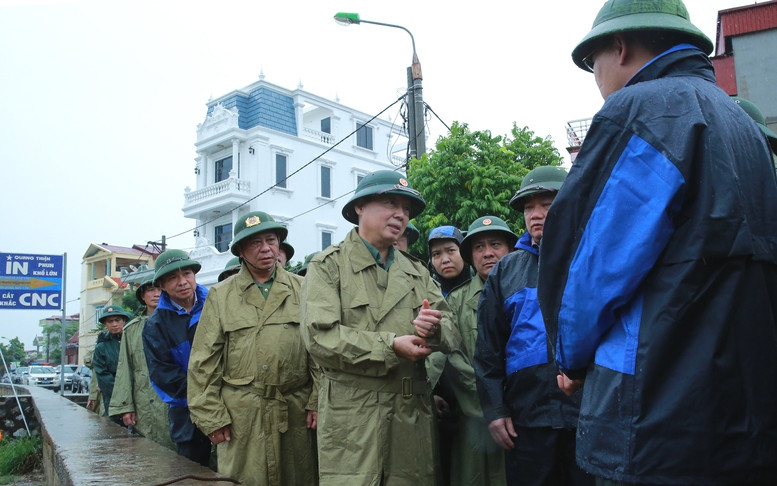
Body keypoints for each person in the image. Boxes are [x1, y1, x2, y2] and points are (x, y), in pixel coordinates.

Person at [538, 1, 777, 484]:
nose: (597, 78)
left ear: (620, 46)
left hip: (652, 421)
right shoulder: (746, 128)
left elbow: (592, 267)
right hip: (744, 420)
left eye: (592, 63)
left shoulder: (640, 111)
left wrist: (569, 357)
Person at [300, 170, 460, 485]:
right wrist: (389, 346)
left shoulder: (416, 272)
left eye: (406, 210)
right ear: (360, 207)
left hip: (410, 419)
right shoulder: (328, 266)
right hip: (353, 419)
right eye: (390, 203)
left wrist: (435, 329)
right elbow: (320, 337)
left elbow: (453, 330)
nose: (400, 214)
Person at [474, 167, 590, 485]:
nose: (535, 215)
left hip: (590, 418)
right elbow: (488, 351)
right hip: (527, 423)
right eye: (528, 207)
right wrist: (495, 411)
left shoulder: (595, 259)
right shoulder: (506, 272)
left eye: (546, 204)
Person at [188, 211, 319, 486]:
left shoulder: (303, 288)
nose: (265, 249)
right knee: (244, 479)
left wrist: (317, 401)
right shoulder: (221, 295)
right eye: (254, 243)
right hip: (242, 416)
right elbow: (203, 362)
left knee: (299, 478)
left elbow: (318, 351)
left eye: (271, 240)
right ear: (241, 252)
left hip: (294, 411)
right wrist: (212, 418)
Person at [442, 215, 516, 486]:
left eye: (495, 244)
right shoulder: (456, 301)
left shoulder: (529, 289)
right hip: (473, 417)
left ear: (510, 248)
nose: (488, 253)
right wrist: (488, 400)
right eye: (479, 247)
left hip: (522, 412)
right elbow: (452, 355)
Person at [142, 249, 212, 466]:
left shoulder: (217, 305)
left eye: (187, 274)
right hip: (187, 412)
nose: (182, 282)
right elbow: (163, 376)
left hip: (231, 404)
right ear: (162, 285)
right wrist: (205, 399)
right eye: (173, 277)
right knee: (192, 470)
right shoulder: (156, 325)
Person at [109, 279, 174, 450]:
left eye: (160, 289)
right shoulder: (132, 329)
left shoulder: (180, 321)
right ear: (142, 297)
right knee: (149, 449)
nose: (156, 294)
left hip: (175, 397)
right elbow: (125, 369)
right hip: (145, 402)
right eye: (151, 290)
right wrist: (126, 406)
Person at [93, 305, 132, 422]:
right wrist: (120, 394)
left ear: (124, 320)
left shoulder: (134, 340)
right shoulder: (101, 347)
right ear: (105, 324)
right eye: (110, 321)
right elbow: (103, 375)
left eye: (117, 320)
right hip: (113, 398)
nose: (114, 324)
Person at [428, 225, 471, 297]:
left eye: (451, 250)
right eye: (437, 254)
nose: (445, 260)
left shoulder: (485, 291)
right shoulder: (425, 297)